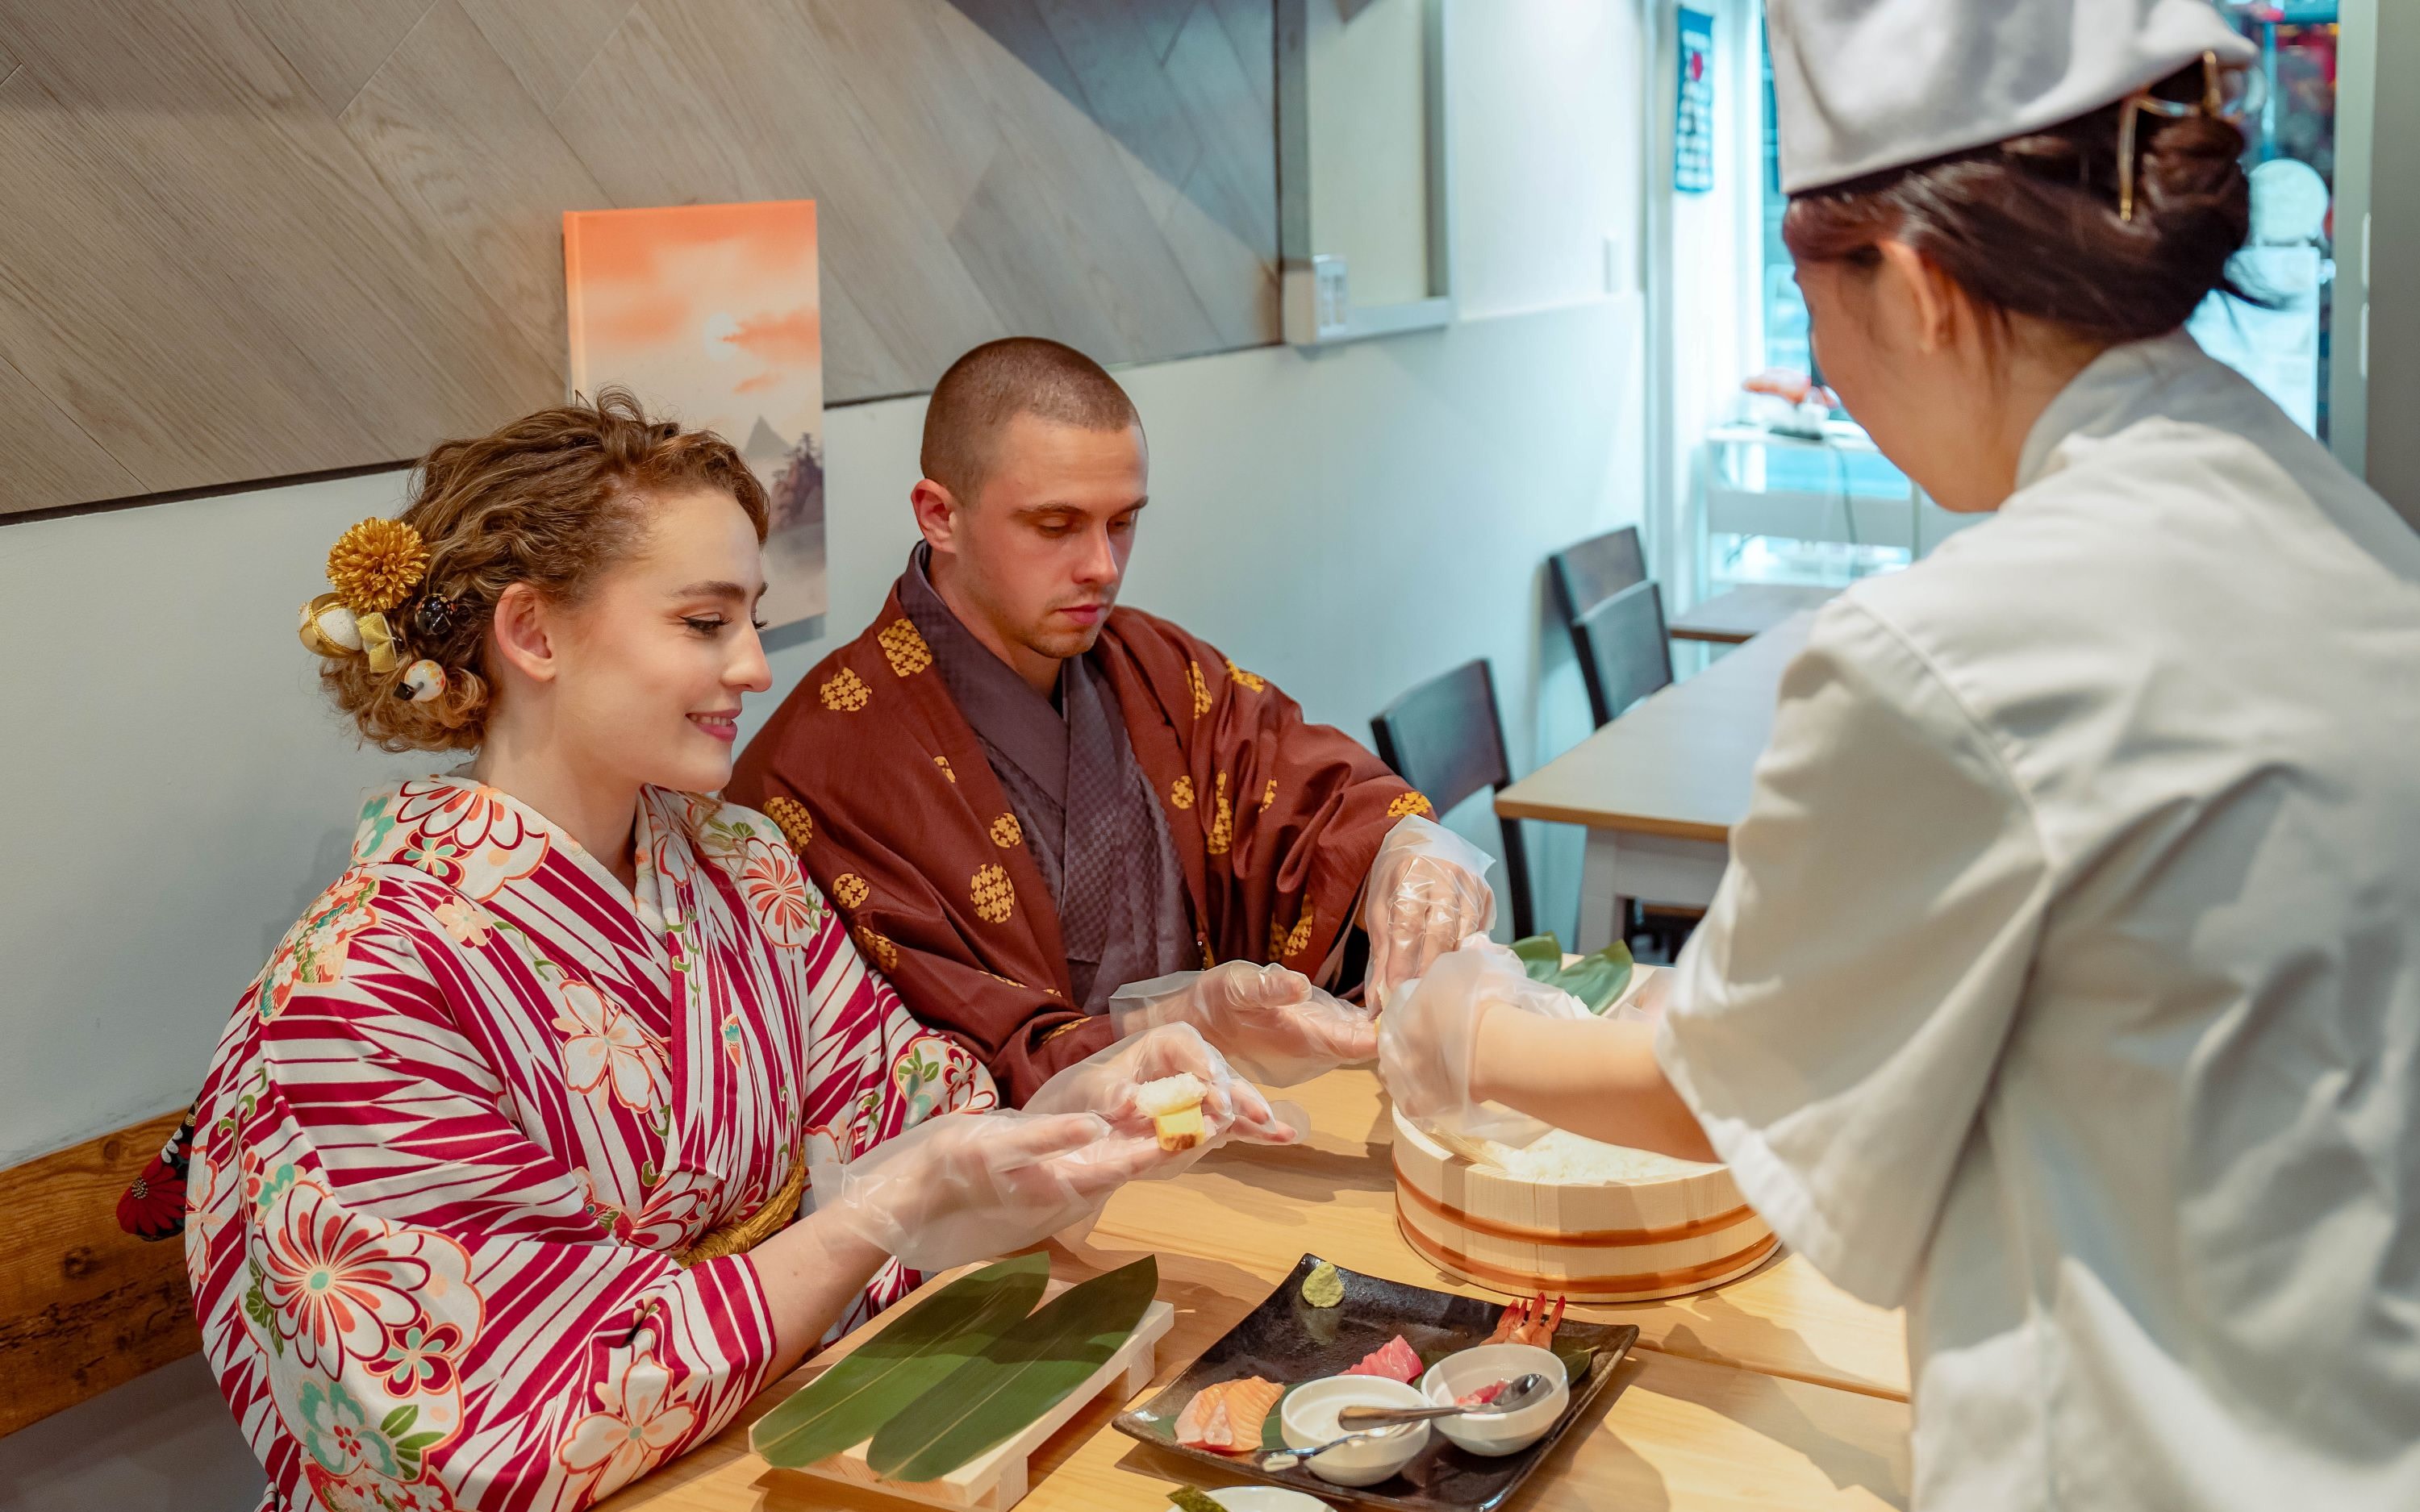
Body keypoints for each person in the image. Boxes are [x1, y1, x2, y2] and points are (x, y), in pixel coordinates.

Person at [1379, 4, 2420, 1508]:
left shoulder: (1960, 651)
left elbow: (1725, 1087)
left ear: (1919, 287)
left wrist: (1463, 1030)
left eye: (1816, 301)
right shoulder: (2336, 523)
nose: (1830, 370)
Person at [187, 393, 1287, 1512]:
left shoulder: (737, 860)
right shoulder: (360, 987)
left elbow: (907, 1120)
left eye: (751, 618)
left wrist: (1088, 1097)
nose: (757, 667)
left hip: (780, 1441)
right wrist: (869, 1217)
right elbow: (487, 1427)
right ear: (532, 632)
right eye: (707, 624)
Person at [728, 338, 1496, 1104]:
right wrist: (1164, 1020)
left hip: (1227, 1128)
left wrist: (1399, 850)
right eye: (1056, 525)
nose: (1102, 565)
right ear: (940, 516)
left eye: (1123, 522)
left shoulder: (1153, 664)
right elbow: (918, 1065)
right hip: (1005, 1200)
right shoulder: (824, 761)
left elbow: (1301, 786)